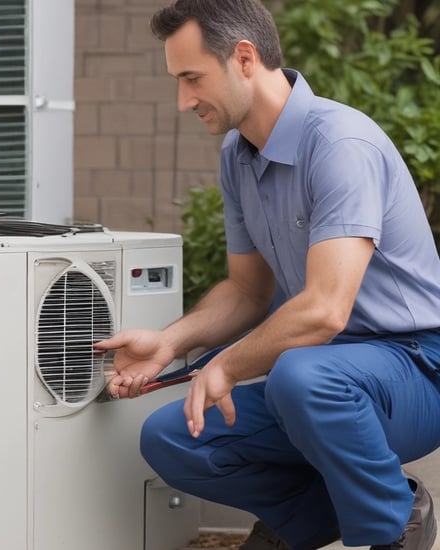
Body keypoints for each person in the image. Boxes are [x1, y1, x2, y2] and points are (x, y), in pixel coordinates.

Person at [94, 1, 440, 549]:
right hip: (324, 373)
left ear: (245, 58)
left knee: (301, 378)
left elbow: (325, 310)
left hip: (418, 368)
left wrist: (228, 365)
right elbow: (248, 291)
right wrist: (169, 341)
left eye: (192, 78)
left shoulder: (340, 145)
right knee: (173, 438)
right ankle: (312, 516)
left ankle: (391, 525)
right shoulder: (238, 154)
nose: (183, 101)